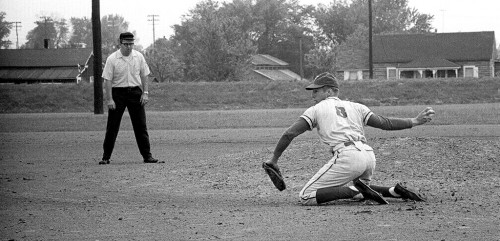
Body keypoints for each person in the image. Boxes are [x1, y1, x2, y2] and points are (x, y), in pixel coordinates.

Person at [265, 72, 434, 205]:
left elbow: (289, 133)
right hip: (368, 156)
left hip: (348, 157)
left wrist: (274, 159)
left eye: (316, 90)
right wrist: (415, 120)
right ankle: (393, 191)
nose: (312, 95)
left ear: (329, 91)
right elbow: (385, 123)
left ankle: (358, 191)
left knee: (306, 196)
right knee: (359, 188)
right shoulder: (356, 106)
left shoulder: (316, 109)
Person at [99, 32, 162, 165]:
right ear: (120, 43)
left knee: (141, 126)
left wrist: (145, 93)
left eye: (131, 44)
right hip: (118, 93)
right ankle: (106, 157)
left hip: (135, 92)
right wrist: (109, 99)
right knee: (112, 126)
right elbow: (107, 80)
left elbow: (144, 75)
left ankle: (147, 156)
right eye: (126, 44)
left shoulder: (138, 57)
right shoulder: (112, 59)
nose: (129, 47)